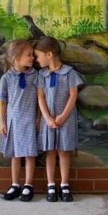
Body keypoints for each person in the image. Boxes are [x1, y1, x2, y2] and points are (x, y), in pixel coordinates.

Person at [35, 36, 83, 202]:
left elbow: (73, 95)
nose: (36, 59)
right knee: (50, 151)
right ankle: (50, 185)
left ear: (49, 54)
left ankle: (64, 184)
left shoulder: (69, 72)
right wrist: (47, 118)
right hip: (48, 120)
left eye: (38, 55)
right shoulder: (41, 74)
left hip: (66, 119)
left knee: (63, 151)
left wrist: (62, 116)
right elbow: (40, 97)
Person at [0, 40, 41, 202]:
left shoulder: (35, 75)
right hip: (13, 121)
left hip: (29, 120)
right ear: (16, 57)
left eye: (33, 55)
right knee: (15, 155)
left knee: (29, 154)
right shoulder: (7, 78)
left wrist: (37, 118)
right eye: (29, 55)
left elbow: (39, 100)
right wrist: (2, 122)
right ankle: (15, 185)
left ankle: (28, 185)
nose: (32, 58)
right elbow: (2, 102)